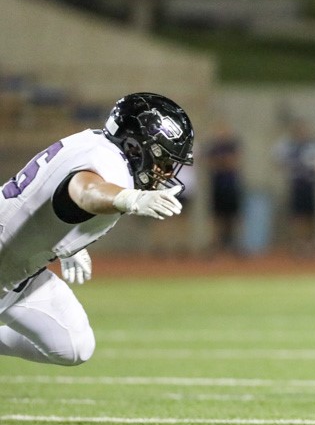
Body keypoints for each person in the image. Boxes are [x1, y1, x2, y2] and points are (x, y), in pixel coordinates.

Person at [0, 92, 193, 366]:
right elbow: (84, 191)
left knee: (74, 347)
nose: (167, 172)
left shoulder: (95, 143)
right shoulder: (110, 163)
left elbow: (55, 197)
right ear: (136, 147)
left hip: (18, 270)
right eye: (164, 161)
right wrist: (130, 198)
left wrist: (67, 244)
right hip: (7, 263)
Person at [273, 118, 315, 253]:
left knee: (313, 215)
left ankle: (314, 241)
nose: (302, 132)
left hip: (311, 183)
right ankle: (300, 242)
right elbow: (278, 160)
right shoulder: (288, 146)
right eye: (299, 129)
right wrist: (289, 168)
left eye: (304, 129)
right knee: (298, 215)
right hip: (296, 183)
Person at [206, 120, 244, 254]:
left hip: (231, 186)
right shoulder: (213, 147)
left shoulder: (233, 145)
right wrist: (223, 162)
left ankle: (235, 243)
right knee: (217, 216)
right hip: (217, 185)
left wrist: (222, 162)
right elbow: (211, 163)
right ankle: (217, 243)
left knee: (233, 216)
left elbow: (233, 163)